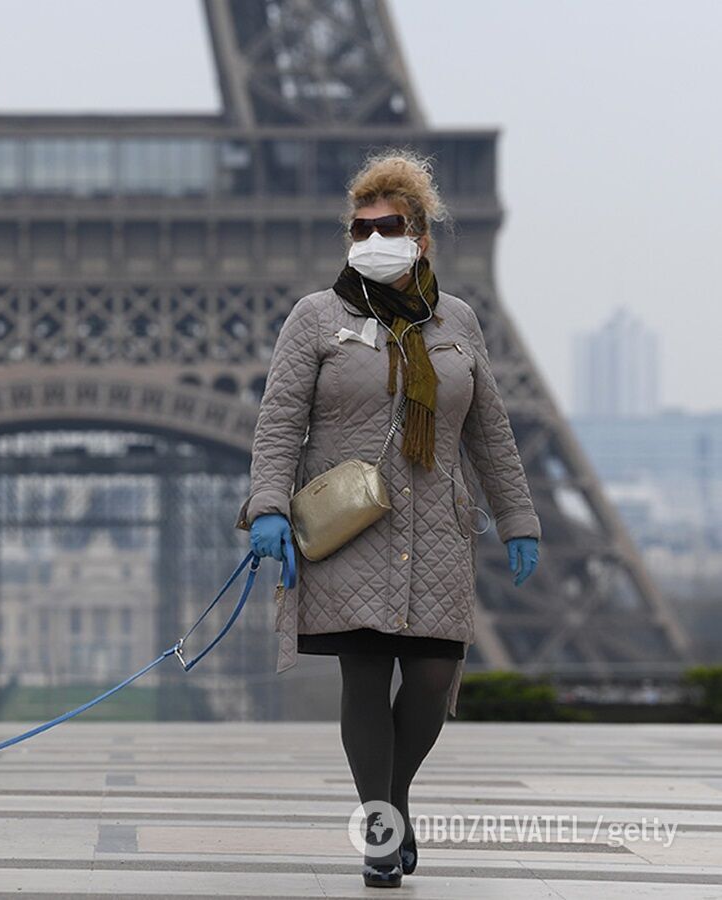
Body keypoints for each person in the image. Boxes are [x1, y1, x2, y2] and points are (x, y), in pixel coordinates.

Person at [240, 151, 540, 888]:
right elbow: (280, 422)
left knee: (435, 676)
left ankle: (391, 801)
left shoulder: (458, 320)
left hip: (436, 523)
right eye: (361, 226)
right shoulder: (317, 316)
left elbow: (491, 431)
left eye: (389, 226)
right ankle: (382, 827)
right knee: (366, 676)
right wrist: (268, 509)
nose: (374, 238)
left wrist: (519, 517)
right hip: (352, 526)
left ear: (422, 236)